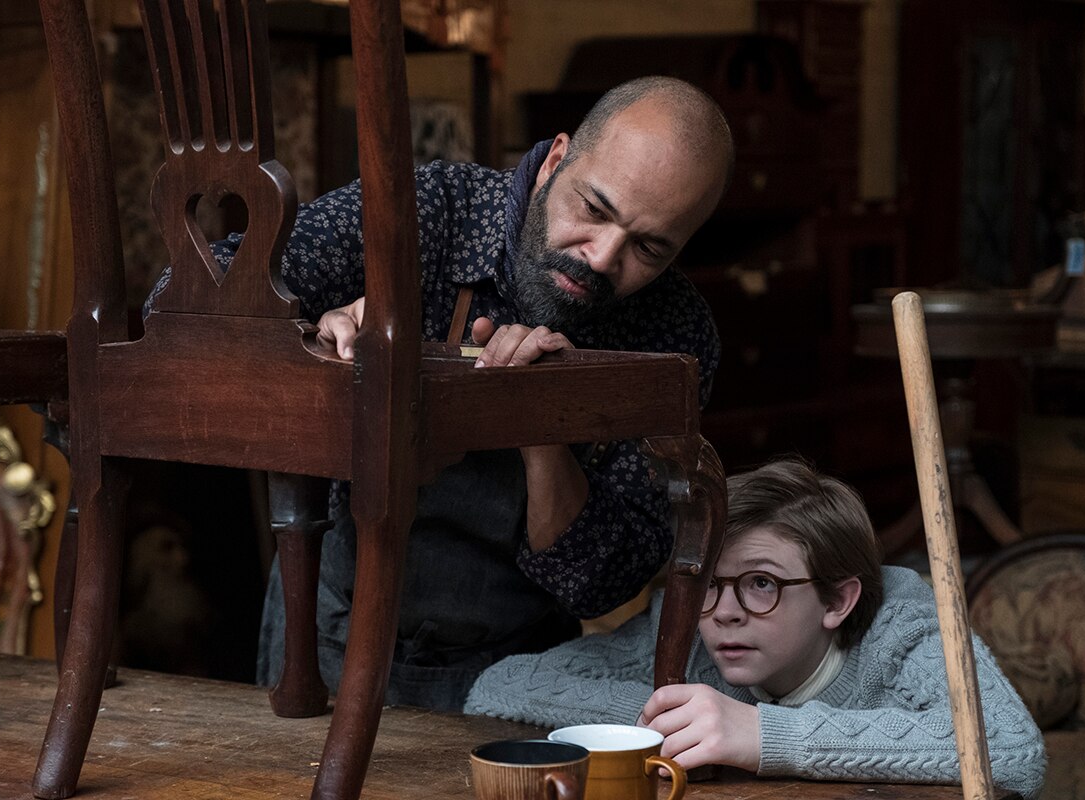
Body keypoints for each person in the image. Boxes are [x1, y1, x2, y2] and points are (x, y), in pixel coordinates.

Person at [146, 76, 734, 710]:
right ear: (555, 160)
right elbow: (181, 309)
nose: (600, 258)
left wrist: (542, 430)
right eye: (593, 209)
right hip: (324, 640)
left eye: (648, 248)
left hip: (517, 675)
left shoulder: (673, 333)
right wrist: (316, 336)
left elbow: (598, 585)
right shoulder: (431, 212)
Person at [464, 458, 1047, 799]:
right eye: (710, 582)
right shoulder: (689, 626)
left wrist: (764, 734)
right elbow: (500, 685)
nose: (725, 611)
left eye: (762, 583)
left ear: (837, 600)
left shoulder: (903, 628)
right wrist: (680, 716)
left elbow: (1012, 748)